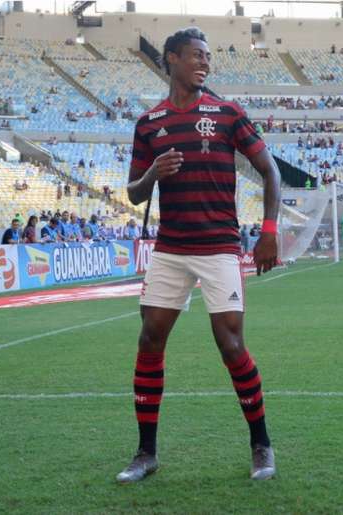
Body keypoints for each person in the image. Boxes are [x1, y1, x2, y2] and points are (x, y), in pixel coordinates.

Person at [117, 27, 281, 484]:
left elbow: (270, 171)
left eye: (208, 57)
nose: (204, 63)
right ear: (171, 59)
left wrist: (269, 231)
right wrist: (152, 172)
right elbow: (132, 193)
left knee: (231, 345)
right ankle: (146, 453)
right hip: (170, 248)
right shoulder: (149, 123)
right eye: (195, 56)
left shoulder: (227, 113)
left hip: (219, 247)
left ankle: (261, 446)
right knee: (150, 339)